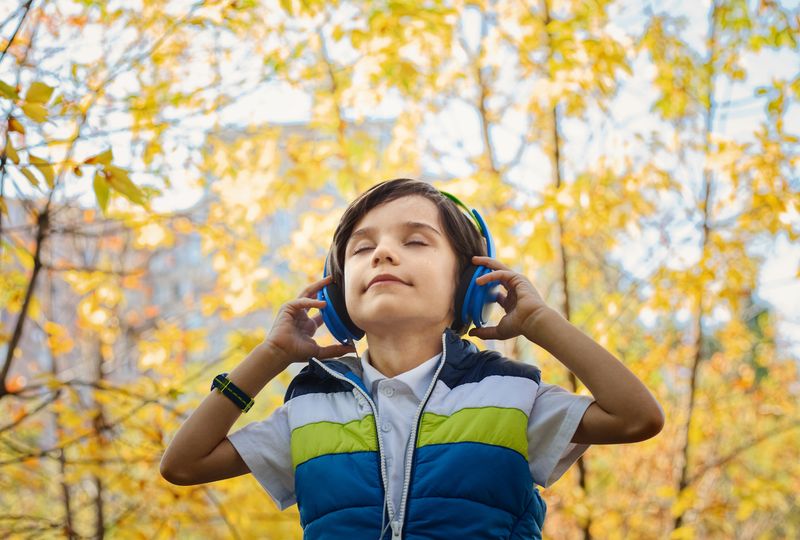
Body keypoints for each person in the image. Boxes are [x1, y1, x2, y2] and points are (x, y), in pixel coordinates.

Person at [160, 178, 665, 539]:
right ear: (337, 299)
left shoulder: (509, 396)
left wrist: (538, 321)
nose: (382, 254)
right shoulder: (310, 410)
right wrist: (270, 357)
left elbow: (636, 416)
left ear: (468, 286)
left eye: (415, 240)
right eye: (362, 249)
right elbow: (183, 464)